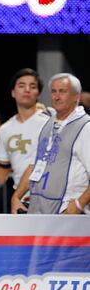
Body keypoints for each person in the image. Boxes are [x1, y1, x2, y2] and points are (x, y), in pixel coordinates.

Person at [11, 73, 90, 214]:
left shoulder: (85, 127)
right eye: (54, 91)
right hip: (38, 209)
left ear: (76, 96)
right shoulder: (47, 123)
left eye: (62, 91)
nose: (57, 97)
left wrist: (78, 204)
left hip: (66, 212)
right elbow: (34, 165)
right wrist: (16, 197)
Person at [0, 69, 49, 209]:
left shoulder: (49, 122)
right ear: (13, 92)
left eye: (33, 86)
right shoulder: (6, 129)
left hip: (50, 196)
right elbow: (3, 167)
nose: (27, 89)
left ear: (38, 93)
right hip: (21, 199)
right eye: (22, 85)